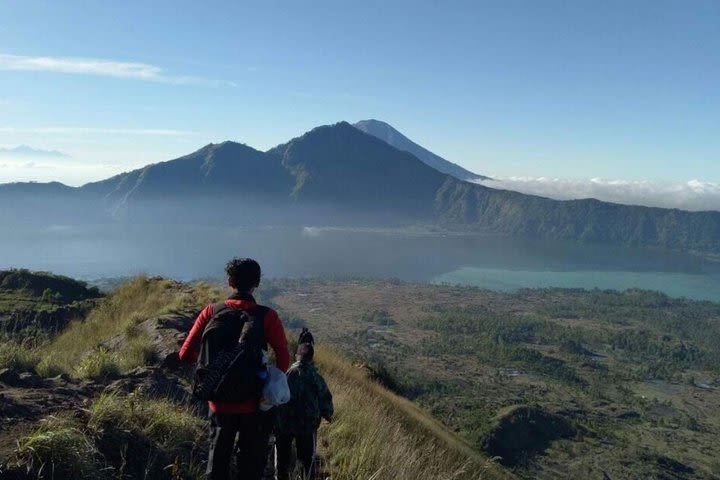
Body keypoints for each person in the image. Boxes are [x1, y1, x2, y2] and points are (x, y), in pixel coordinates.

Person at [179, 257, 290, 480]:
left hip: (219, 402)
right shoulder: (267, 316)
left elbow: (185, 354)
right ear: (257, 283)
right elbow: (284, 359)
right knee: (251, 467)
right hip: (254, 404)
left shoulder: (211, 312)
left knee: (217, 463)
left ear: (230, 282)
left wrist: (213, 368)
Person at [275, 339, 333, 480]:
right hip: (307, 426)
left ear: (296, 356)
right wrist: (327, 415)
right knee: (307, 463)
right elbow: (326, 400)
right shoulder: (316, 378)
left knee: (282, 462)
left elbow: (276, 397)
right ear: (311, 358)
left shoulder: (286, 374)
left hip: (284, 424)